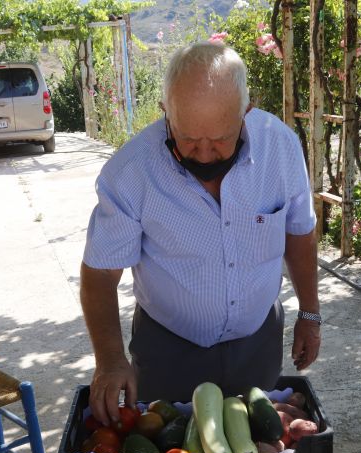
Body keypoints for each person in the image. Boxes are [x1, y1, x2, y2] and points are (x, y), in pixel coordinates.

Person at [81, 42, 321, 425]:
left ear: (246, 112)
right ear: (166, 114)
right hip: (167, 348)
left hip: (257, 342)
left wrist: (310, 312)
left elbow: (299, 233)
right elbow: (100, 273)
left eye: (221, 139)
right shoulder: (130, 173)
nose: (205, 155)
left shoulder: (281, 148)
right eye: (189, 140)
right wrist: (110, 359)